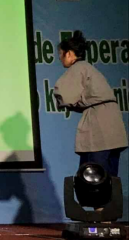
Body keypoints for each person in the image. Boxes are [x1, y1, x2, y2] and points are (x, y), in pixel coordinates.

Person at [54, 30, 128, 179]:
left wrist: (73, 104)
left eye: (61, 54)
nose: (60, 58)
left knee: (93, 177)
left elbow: (63, 94)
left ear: (69, 54)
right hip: (114, 127)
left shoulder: (78, 68)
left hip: (99, 127)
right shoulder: (90, 68)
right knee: (110, 178)